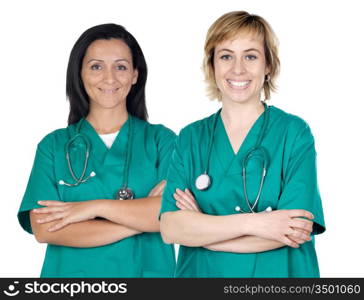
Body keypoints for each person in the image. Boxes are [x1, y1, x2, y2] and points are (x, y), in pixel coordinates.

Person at [160, 11, 325, 277]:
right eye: (226, 56)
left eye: (250, 56)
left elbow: (297, 228)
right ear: (212, 65)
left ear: (268, 65)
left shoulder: (294, 133)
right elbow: (170, 229)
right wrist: (259, 223)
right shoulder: (190, 138)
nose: (238, 68)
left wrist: (202, 229)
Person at [18, 23, 176, 277]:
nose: (110, 78)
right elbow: (44, 229)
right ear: (79, 73)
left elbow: (175, 215)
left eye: (121, 66)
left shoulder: (162, 141)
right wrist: (144, 220)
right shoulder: (54, 146)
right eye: (96, 66)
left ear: (135, 75)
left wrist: (93, 208)